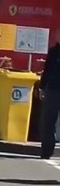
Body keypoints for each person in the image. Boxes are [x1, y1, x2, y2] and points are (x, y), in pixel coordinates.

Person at [38, 27, 60, 159]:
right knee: (48, 121)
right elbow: (46, 70)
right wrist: (42, 87)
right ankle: (46, 151)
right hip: (52, 90)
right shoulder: (53, 52)